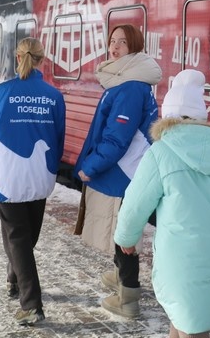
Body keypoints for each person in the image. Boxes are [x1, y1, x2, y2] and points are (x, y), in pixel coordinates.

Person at [114, 69, 210, 338]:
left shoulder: (162, 151)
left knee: (192, 322)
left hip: (179, 252)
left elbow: (135, 202)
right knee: (184, 312)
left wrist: (126, 237)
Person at [0, 37, 66, 327]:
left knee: (19, 238)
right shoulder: (53, 96)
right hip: (39, 176)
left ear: (17, 58)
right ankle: (20, 287)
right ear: (42, 59)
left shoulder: (2, 93)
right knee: (25, 237)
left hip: (5, 177)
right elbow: (58, 140)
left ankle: (31, 305)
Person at [74, 23, 162, 319]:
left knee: (124, 233)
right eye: (112, 41)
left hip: (123, 172)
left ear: (134, 47)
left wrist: (90, 166)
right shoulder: (128, 80)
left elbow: (117, 138)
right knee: (120, 229)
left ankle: (128, 296)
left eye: (122, 43)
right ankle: (122, 277)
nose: (114, 47)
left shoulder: (130, 87)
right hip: (128, 170)